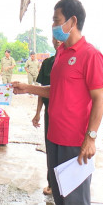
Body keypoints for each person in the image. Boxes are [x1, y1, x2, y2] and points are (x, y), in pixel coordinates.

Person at [13, 0, 103, 205]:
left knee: (76, 198)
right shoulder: (62, 53)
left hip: (76, 139)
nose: (53, 25)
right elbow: (57, 90)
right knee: (59, 190)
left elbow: (100, 99)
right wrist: (28, 88)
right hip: (54, 135)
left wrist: (91, 137)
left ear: (72, 21)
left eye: (56, 20)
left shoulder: (91, 55)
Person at [32, 38, 63, 196]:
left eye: (60, 38)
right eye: (54, 38)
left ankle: (65, 185)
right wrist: (38, 113)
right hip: (50, 112)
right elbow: (42, 90)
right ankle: (51, 183)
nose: (57, 41)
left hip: (68, 114)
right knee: (51, 149)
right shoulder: (47, 63)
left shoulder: (74, 61)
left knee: (67, 151)